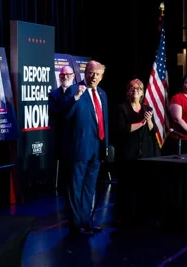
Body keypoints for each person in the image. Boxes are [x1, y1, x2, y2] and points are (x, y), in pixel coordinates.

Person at [63, 60, 109, 235]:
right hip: (79, 148)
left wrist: (105, 145)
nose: (93, 77)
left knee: (90, 187)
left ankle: (87, 222)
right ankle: (76, 225)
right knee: (76, 187)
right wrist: (75, 98)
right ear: (85, 72)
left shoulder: (103, 94)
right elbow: (66, 115)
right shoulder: (74, 90)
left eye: (97, 74)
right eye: (91, 73)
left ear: (102, 76)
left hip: (97, 148)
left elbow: (104, 121)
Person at [115, 78, 161, 221]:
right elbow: (123, 129)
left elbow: (154, 131)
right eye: (132, 88)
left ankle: (143, 215)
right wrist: (141, 122)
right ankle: (126, 216)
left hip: (145, 152)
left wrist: (147, 122)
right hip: (128, 153)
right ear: (128, 91)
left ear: (142, 93)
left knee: (144, 185)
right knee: (128, 185)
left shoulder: (148, 109)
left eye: (138, 89)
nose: (135, 91)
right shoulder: (122, 108)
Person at [48, 66, 75, 194]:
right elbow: (55, 112)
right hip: (61, 135)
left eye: (68, 75)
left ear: (73, 76)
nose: (65, 77)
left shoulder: (79, 91)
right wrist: (72, 102)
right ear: (59, 77)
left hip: (76, 135)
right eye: (63, 75)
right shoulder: (54, 94)